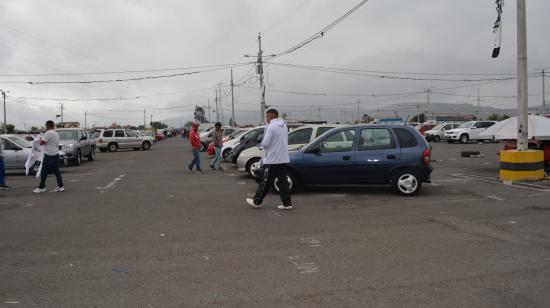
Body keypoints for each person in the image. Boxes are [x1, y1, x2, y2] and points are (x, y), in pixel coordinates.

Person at [246, 108, 293, 210]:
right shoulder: (284, 126)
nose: (266, 118)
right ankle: (287, 203)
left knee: (266, 181)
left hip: (272, 159)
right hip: (283, 158)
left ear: (271, 116)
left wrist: (261, 144)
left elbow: (266, 143)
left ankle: (257, 201)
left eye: (267, 116)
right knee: (283, 181)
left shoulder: (271, 127)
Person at [34, 120, 64, 193]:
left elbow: (41, 143)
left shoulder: (47, 133)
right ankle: (60, 186)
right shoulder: (56, 133)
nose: (45, 127)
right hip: (56, 154)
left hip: (48, 155)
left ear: (47, 126)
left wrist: (39, 138)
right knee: (57, 172)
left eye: (45, 126)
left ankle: (42, 187)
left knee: (44, 172)